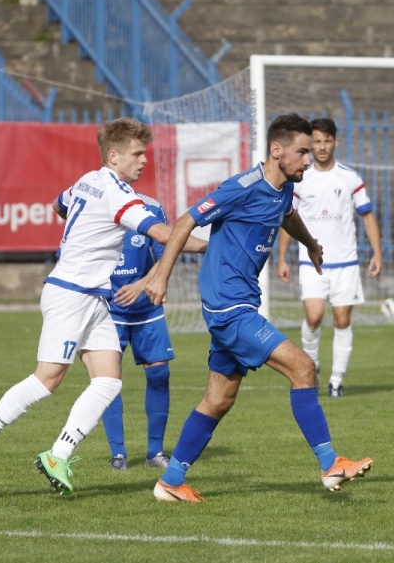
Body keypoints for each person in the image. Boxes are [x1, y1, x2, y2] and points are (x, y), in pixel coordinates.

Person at [0, 117, 206, 497]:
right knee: (48, 380)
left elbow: (60, 204)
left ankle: (57, 455)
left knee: (108, 380)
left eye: (145, 153)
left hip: (94, 298)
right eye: (137, 154)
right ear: (114, 155)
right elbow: (161, 234)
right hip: (71, 293)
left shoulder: (86, 180)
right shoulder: (119, 194)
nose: (144, 161)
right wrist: (211, 244)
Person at [144, 113, 373, 503]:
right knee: (303, 367)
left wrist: (311, 244)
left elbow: (287, 215)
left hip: (238, 304)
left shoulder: (284, 187)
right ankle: (330, 463)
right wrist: (161, 277)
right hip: (228, 307)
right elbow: (185, 221)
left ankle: (170, 481)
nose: (307, 160)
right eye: (302, 151)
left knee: (218, 399)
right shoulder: (241, 187)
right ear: (276, 150)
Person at [276, 118, 382, 398]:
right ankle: (311, 365)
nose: (322, 147)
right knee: (313, 317)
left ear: (336, 143)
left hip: (346, 263)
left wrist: (377, 254)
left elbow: (367, 215)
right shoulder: (301, 177)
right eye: (317, 142)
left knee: (342, 321)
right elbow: (288, 219)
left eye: (327, 141)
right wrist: (282, 258)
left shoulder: (349, 178)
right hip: (312, 263)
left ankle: (336, 380)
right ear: (311, 144)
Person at [101, 192, 176, 472]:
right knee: (107, 381)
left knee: (159, 374)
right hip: (106, 310)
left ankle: (155, 451)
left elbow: (165, 256)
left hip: (147, 309)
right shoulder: (97, 202)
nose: (141, 161)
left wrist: (142, 285)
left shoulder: (152, 207)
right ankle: (118, 454)